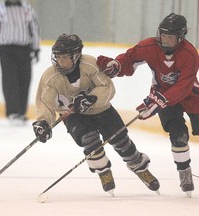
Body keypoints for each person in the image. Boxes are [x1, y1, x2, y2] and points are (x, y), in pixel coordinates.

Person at [96, 13, 199, 197]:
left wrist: (159, 101)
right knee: (178, 135)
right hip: (162, 95)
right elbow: (129, 59)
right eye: (163, 35)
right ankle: (184, 172)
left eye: (171, 37)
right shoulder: (149, 46)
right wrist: (116, 65)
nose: (166, 40)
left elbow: (182, 87)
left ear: (181, 37)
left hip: (190, 95)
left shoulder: (190, 54)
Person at [32, 33, 160, 195]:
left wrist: (91, 99)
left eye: (65, 57)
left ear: (77, 55)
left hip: (102, 110)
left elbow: (107, 87)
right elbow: (45, 102)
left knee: (122, 142)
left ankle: (139, 167)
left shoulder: (90, 65)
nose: (60, 62)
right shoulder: (50, 77)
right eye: (58, 57)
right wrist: (43, 122)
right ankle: (103, 171)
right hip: (72, 114)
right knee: (89, 142)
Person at [0, 0, 40, 125]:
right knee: (10, 80)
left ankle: (21, 112)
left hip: (24, 48)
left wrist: (36, 48)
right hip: (6, 49)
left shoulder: (27, 9)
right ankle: (13, 112)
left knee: (25, 79)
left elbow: (34, 28)